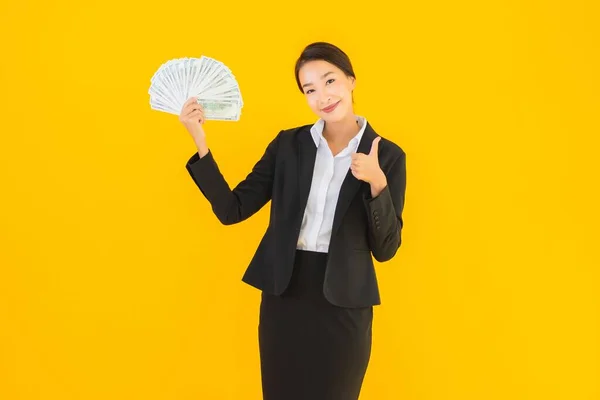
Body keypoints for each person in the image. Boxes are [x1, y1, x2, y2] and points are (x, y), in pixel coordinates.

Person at [180, 42, 407, 400]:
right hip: (285, 294)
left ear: (351, 80)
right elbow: (231, 209)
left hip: (345, 302)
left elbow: (387, 248)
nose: (323, 96)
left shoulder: (387, 155)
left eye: (330, 81)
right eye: (310, 89)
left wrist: (378, 182)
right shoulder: (289, 145)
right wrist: (200, 140)